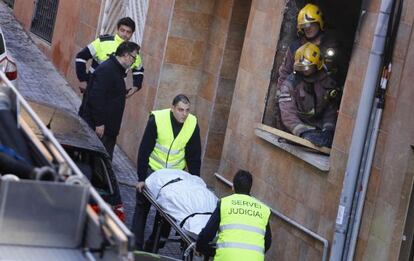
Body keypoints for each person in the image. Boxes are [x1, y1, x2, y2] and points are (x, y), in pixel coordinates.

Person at [132, 94, 202, 251]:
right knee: (142, 207)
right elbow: (144, 149)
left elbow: (194, 155)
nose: (184, 114)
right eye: (180, 110)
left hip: (173, 177)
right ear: (172, 108)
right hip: (153, 171)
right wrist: (141, 177)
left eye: (187, 110)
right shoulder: (157, 119)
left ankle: (152, 247)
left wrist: (195, 180)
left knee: (167, 214)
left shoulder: (192, 124)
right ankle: (134, 247)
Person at [79, 41, 140, 158]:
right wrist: (99, 123)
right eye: (134, 57)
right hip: (101, 129)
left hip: (108, 129)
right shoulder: (107, 69)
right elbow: (96, 97)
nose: (134, 61)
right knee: (97, 164)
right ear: (126, 55)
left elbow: (110, 92)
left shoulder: (117, 69)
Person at [196, 170, 272, 261]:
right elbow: (267, 242)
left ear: (233, 187)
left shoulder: (225, 204)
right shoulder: (263, 209)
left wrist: (200, 247)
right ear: (250, 188)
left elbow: (208, 233)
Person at [279, 42, 338, 148]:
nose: (304, 70)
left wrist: (328, 131)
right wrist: (303, 133)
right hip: (296, 134)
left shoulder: (327, 83)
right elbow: (287, 113)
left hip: (319, 132)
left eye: (307, 67)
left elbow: (330, 110)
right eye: (301, 67)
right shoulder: (290, 84)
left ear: (317, 64)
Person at [75, 17, 144, 107]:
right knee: (85, 119)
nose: (124, 34)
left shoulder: (134, 52)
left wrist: (135, 88)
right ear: (117, 29)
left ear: (132, 34)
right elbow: (81, 56)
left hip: (115, 96)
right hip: (94, 89)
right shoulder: (102, 42)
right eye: (122, 30)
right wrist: (84, 77)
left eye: (128, 32)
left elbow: (139, 71)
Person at [277, 3, 344, 88]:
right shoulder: (295, 47)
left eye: (311, 24)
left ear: (319, 23)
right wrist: (284, 93)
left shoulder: (331, 45)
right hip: (301, 95)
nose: (308, 28)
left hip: (323, 94)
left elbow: (341, 72)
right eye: (304, 26)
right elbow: (285, 73)